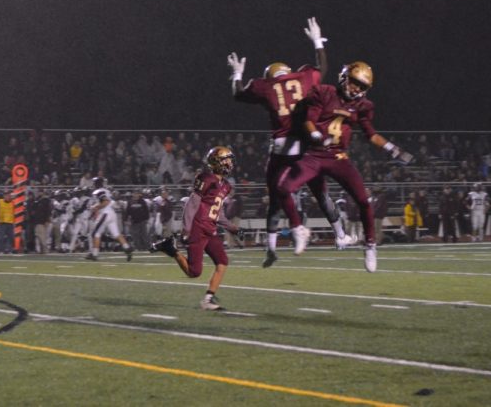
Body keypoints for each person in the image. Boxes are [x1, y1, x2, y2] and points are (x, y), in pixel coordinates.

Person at [228, 16, 355, 268]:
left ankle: (276, 244)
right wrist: (318, 41)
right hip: (308, 144)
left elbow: (238, 93)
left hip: (282, 146)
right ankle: (340, 235)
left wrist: (237, 74)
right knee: (320, 192)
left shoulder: (266, 86)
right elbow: (323, 67)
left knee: (277, 196)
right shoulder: (304, 77)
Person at [276, 62, 413, 273]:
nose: (357, 89)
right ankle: (298, 228)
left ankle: (370, 245)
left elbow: (371, 134)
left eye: (361, 86)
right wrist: (316, 136)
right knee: (283, 188)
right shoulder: (324, 92)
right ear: (344, 77)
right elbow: (309, 120)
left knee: (364, 202)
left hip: (338, 157)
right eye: (355, 82)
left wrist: (392, 149)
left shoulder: (363, 106)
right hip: (314, 154)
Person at [151, 146, 243, 310]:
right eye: (226, 159)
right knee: (194, 272)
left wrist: (233, 228)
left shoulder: (226, 186)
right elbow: (192, 204)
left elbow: (219, 213)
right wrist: (186, 229)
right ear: (217, 162)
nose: (230, 163)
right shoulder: (206, 178)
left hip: (210, 229)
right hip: (197, 228)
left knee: (222, 261)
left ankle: (208, 300)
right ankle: (170, 249)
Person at [85, 189, 134, 261]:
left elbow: (105, 202)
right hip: (111, 214)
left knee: (96, 234)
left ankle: (94, 254)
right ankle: (127, 248)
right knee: (116, 234)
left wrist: (95, 207)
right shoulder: (105, 193)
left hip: (105, 214)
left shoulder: (101, 193)